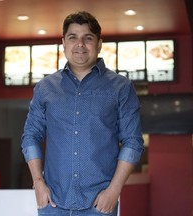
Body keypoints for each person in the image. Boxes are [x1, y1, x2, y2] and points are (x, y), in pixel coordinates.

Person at [21, 11, 144, 216]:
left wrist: (114, 191)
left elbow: (133, 142)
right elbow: (30, 136)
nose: (80, 44)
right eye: (73, 37)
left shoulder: (121, 88)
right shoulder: (45, 88)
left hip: (100, 205)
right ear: (63, 43)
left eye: (88, 38)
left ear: (99, 44)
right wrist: (38, 183)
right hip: (53, 203)